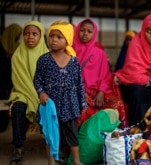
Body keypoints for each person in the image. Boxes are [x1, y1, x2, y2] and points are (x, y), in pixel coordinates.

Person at [34, 20, 86, 165]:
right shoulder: (43, 60)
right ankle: (52, 161)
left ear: (68, 40)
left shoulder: (74, 61)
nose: (54, 40)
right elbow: (37, 79)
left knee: (72, 135)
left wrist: (82, 102)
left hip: (70, 104)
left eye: (59, 37)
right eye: (51, 36)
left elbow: (79, 83)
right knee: (50, 134)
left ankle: (76, 161)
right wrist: (41, 93)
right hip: (51, 103)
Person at [5, 20, 48, 165]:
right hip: (22, 91)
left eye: (34, 34)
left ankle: (54, 146)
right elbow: (18, 80)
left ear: (41, 36)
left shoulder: (47, 56)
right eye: (26, 33)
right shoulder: (18, 55)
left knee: (51, 109)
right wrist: (31, 95)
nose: (30, 37)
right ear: (22, 36)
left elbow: (49, 80)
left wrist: (41, 94)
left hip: (43, 93)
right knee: (18, 108)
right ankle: (18, 148)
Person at [73, 18, 127, 128]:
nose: (85, 34)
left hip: (98, 91)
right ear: (77, 31)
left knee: (117, 104)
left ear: (94, 33)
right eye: (82, 30)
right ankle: (79, 141)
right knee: (81, 111)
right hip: (78, 92)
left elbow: (105, 76)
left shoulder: (100, 53)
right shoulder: (71, 52)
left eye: (89, 31)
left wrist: (101, 92)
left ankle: (116, 136)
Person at [0, 23, 22, 100]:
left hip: (13, 84)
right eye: (17, 36)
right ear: (12, 34)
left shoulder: (18, 47)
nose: (18, 38)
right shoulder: (1, 47)